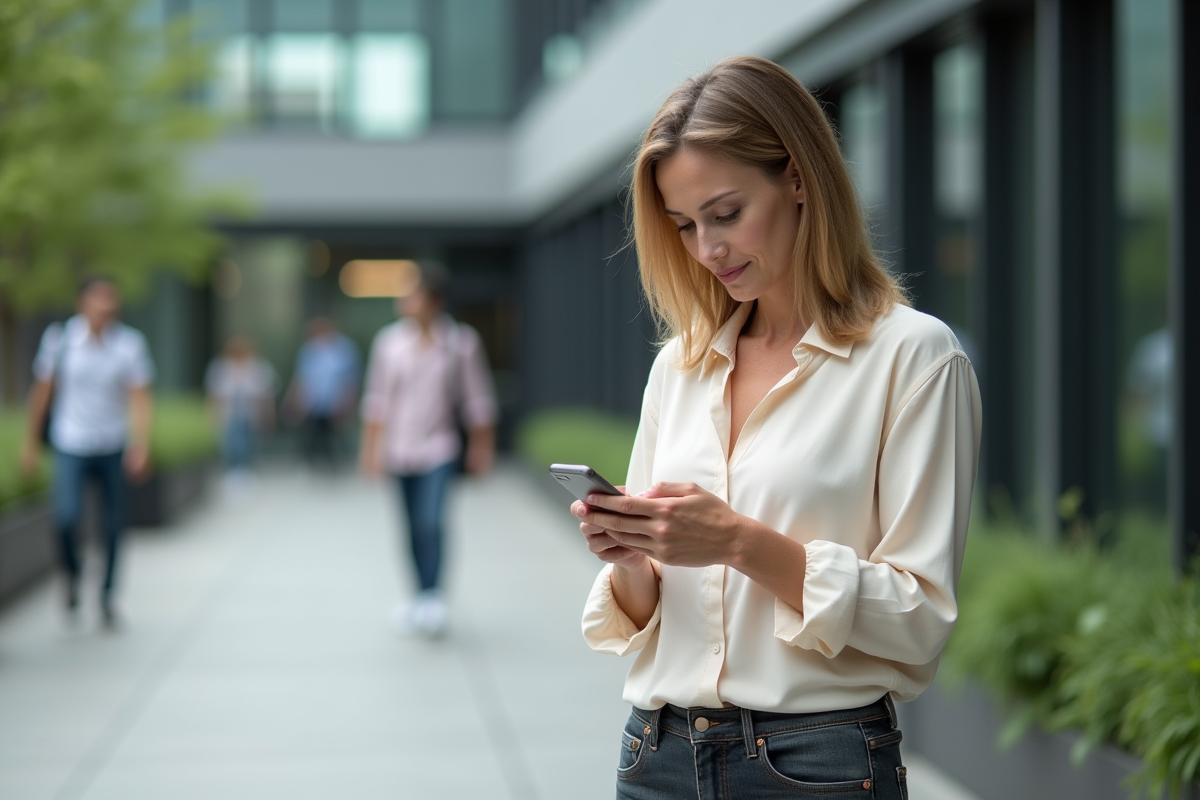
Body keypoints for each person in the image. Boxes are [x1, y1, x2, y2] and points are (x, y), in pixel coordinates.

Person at [574, 57, 982, 799]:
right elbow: (653, 605)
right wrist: (631, 557)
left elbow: (920, 617)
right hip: (656, 755)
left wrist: (736, 542)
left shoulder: (914, 358)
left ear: (797, 179)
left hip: (816, 764)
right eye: (685, 226)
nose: (707, 250)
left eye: (726, 214)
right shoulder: (680, 368)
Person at [359, 263, 497, 637]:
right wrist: (369, 450)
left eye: (412, 293)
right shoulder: (388, 343)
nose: (404, 300)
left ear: (433, 300)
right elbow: (377, 401)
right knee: (409, 526)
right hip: (398, 449)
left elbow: (477, 400)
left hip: (440, 447)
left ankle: (434, 596)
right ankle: (418, 594)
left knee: (431, 522)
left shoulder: (460, 342)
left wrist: (482, 448)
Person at [20, 276, 154, 626]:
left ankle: (107, 595)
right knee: (66, 517)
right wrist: (30, 445)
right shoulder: (60, 340)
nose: (106, 307)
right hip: (71, 442)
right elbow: (42, 394)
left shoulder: (128, 344)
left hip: (112, 442)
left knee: (112, 525)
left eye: (111, 300)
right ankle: (73, 574)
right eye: (99, 299)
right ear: (82, 303)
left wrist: (141, 444)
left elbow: (139, 398)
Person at [284, 317, 360, 472]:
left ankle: (334, 463)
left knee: (332, 434)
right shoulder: (308, 349)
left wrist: (348, 402)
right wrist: (292, 400)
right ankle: (311, 462)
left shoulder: (344, 349)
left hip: (334, 401)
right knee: (309, 433)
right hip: (312, 401)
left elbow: (351, 379)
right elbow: (301, 377)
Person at [205, 335, 276, 487]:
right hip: (229, 413)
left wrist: (268, 414)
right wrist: (212, 414)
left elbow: (266, 394)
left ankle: (246, 471)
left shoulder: (258, 367)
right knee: (231, 444)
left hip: (250, 413)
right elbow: (214, 394)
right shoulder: (220, 367)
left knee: (248, 442)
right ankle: (233, 472)